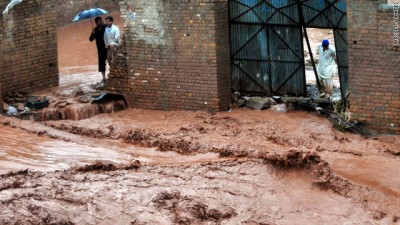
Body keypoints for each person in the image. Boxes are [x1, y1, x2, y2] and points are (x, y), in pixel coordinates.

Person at [89, 17, 107, 83]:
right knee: (102, 64)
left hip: (107, 47)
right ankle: (104, 77)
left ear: (101, 21)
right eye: (97, 21)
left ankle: (113, 74)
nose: (98, 22)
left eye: (99, 21)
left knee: (111, 61)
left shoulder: (105, 27)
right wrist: (92, 33)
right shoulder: (95, 30)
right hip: (100, 49)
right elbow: (90, 39)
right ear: (95, 22)